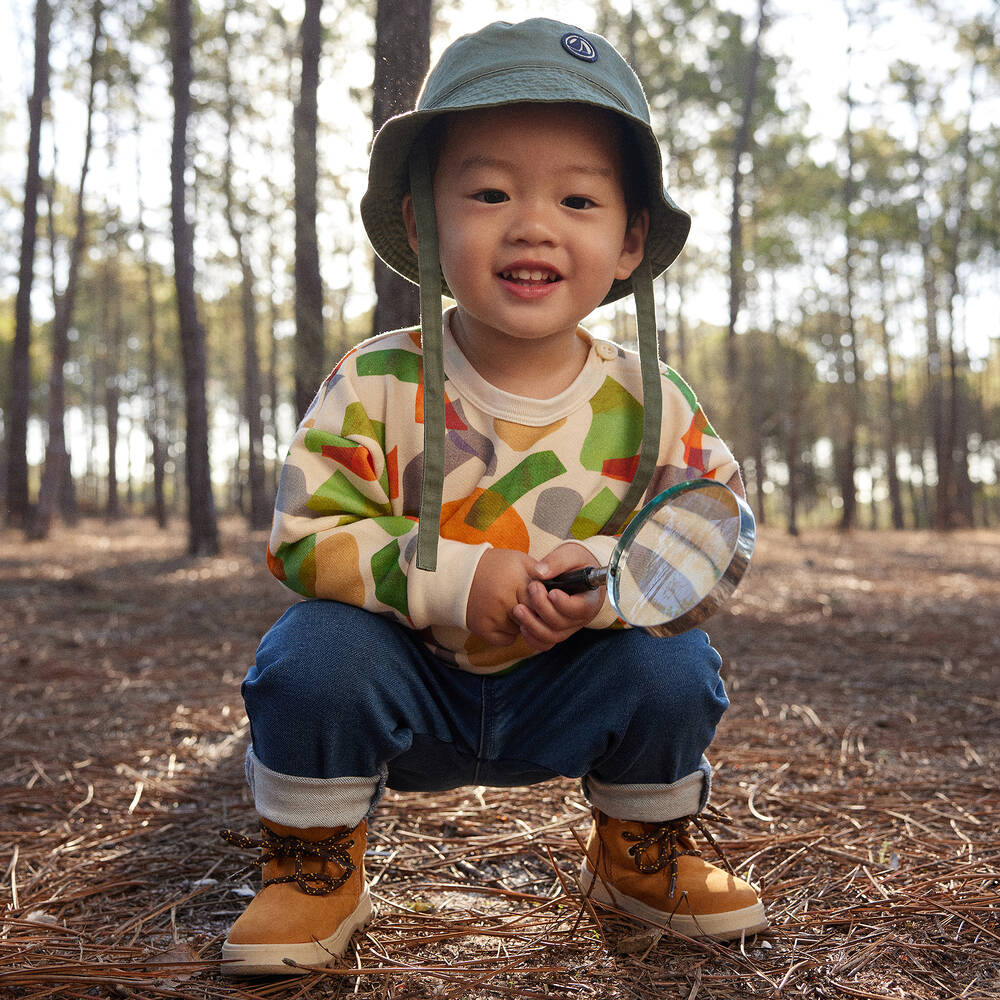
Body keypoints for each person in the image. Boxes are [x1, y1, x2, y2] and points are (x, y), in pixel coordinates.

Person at [219, 18, 767, 976]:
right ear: (426, 222)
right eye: (488, 191)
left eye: (579, 198)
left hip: (571, 688)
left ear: (631, 239)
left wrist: (604, 576)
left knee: (674, 669)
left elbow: (716, 535)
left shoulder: (653, 401)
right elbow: (303, 535)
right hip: (408, 684)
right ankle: (312, 864)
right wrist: (454, 579)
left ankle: (640, 852)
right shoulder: (378, 383)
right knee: (310, 654)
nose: (533, 224)